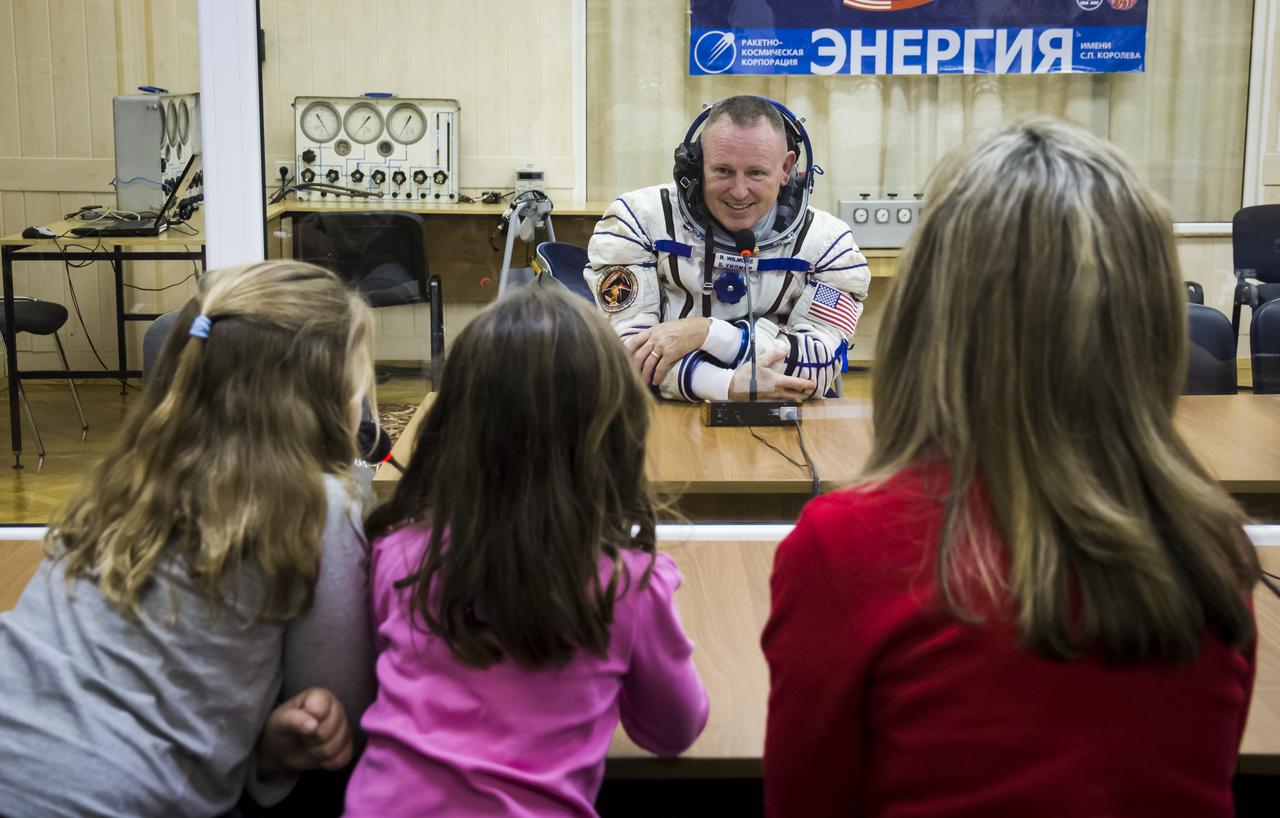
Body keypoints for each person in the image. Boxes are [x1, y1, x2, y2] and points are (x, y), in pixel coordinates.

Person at [762, 120, 1260, 817]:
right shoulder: (1213, 543)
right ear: (1151, 320)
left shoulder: (848, 546)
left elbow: (804, 802)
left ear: (929, 313)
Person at [0, 260, 379, 817]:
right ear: (324, 399)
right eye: (359, 385)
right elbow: (340, 711)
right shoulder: (317, 503)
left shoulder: (128, 474)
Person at [344, 286, 709, 817]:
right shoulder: (626, 584)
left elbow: (381, 688)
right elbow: (672, 730)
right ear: (613, 430)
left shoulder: (398, 552)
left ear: (455, 423)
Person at [585, 95, 870, 402]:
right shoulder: (637, 222)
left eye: (756, 173)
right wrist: (726, 385)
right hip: (660, 414)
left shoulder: (829, 247)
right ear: (696, 165)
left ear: (786, 168)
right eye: (722, 170)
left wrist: (707, 332)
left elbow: (818, 364)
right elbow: (628, 357)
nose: (738, 191)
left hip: (778, 418)